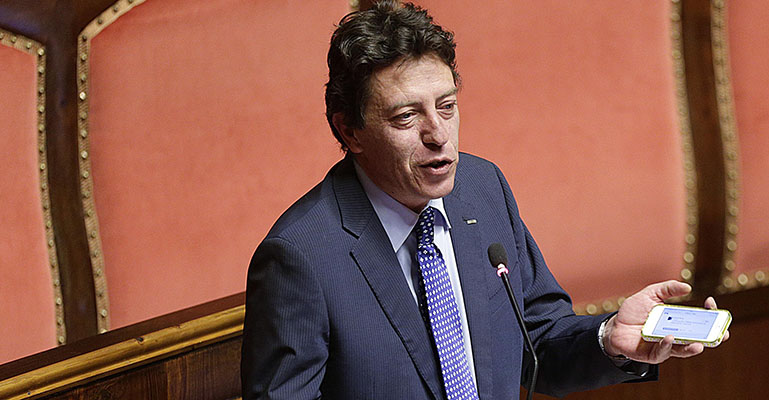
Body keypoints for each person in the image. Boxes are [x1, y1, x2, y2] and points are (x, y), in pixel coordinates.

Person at [241, 2, 727, 399]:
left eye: (447, 107)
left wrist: (609, 340)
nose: (438, 135)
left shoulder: (481, 188)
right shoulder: (300, 258)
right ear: (350, 131)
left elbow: (537, 342)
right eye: (407, 117)